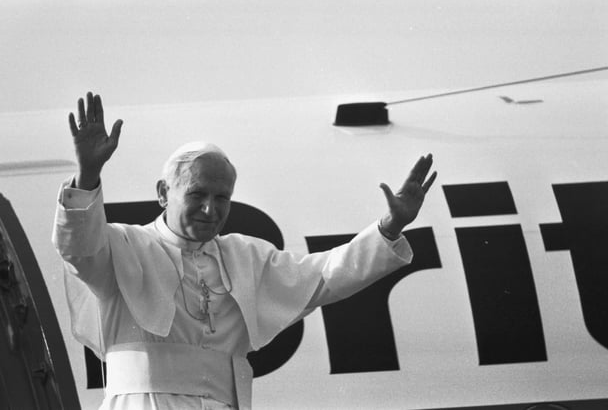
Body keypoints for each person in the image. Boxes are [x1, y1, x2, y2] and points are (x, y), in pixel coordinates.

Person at [52, 92, 437, 410]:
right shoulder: (124, 245)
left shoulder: (245, 257)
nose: (210, 209)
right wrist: (88, 176)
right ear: (162, 193)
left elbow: (326, 276)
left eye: (222, 198)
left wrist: (390, 226)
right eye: (197, 194)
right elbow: (79, 249)